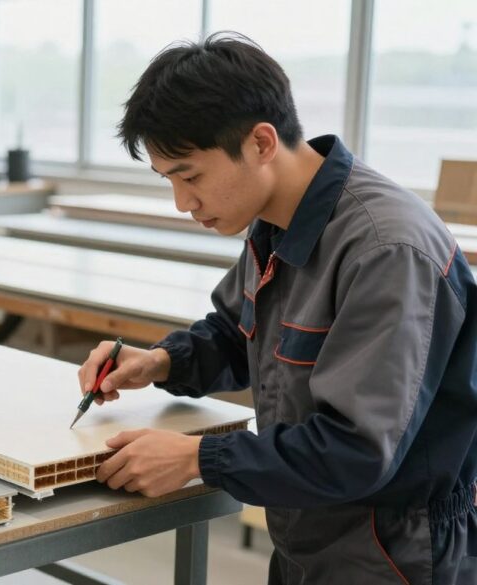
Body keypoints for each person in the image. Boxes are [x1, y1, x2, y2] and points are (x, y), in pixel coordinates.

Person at [77, 32, 477, 584]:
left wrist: (197, 460)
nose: (182, 203)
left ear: (262, 143)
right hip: (308, 534)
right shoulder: (275, 221)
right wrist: (160, 362)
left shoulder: (387, 250)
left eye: (190, 176)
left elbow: (357, 450)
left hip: (393, 555)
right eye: (168, 179)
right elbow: (238, 334)